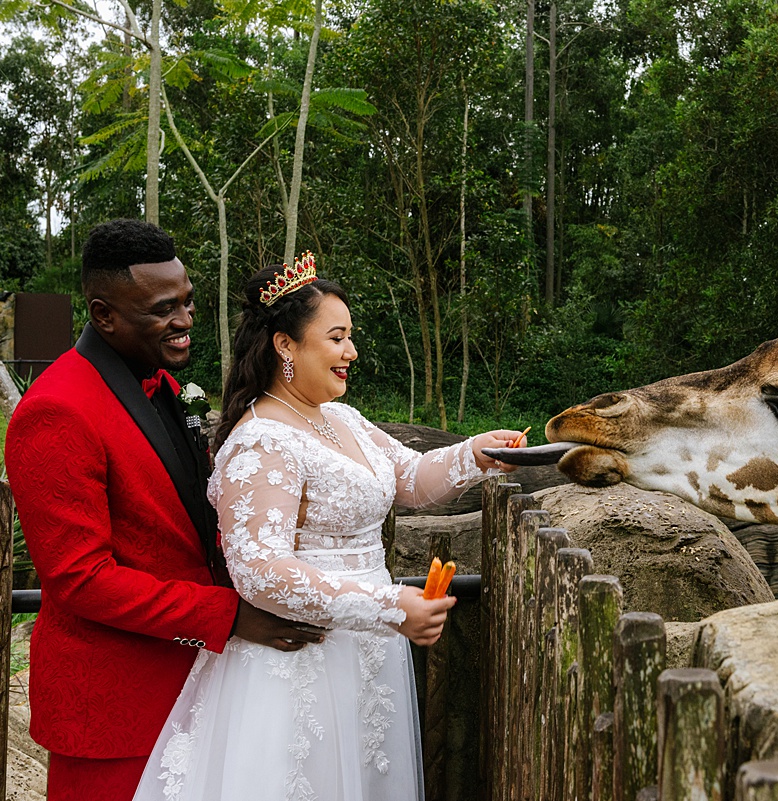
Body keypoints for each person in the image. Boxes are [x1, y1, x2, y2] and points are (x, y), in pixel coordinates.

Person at [130, 252, 521, 800]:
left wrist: (475, 455)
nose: (351, 352)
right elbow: (260, 572)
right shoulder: (261, 440)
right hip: (299, 664)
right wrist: (387, 607)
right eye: (337, 337)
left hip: (365, 654)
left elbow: (406, 477)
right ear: (285, 345)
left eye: (350, 337)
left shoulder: (339, 418)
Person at [4, 219, 326, 801]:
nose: (184, 321)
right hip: (112, 709)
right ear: (104, 315)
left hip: (194, 684)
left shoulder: (167, 386)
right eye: (162, 309)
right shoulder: (55, 411)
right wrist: (226, 616)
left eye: (187, 301)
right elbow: (79, 579)